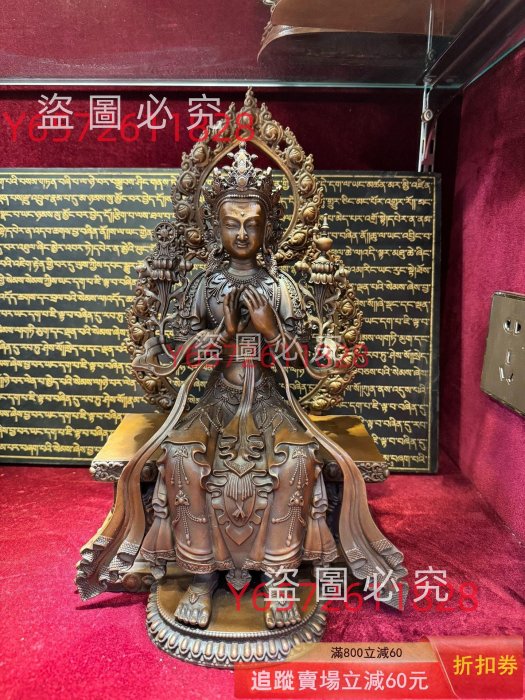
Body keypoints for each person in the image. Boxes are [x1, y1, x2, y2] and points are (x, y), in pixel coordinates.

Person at [76, 145, 407, 628]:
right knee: (181, 456)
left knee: (297, 458)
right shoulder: (203, 286)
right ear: (216, 228)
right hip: (218, 397)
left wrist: (272, 332)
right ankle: (200, 577)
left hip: (270, 397)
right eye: (232, 224)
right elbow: (176, 355)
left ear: (268, 228)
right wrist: (222, 334)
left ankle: (279, 577)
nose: (243, 233)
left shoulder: (281, 287)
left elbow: (308, 362)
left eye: (253, 224)